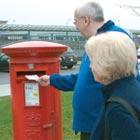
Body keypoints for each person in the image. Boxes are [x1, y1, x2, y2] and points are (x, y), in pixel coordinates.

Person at [37, 1, 131, 140]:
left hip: (104, 124)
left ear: (86, 20)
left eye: (75, 22)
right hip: (91, 123)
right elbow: (84, 78)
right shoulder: (96, 41)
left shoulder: (114, 38)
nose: (76, 27)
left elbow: (129, 81)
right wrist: (52, 79)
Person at [85, 31, 140, 140]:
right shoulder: (131, 88)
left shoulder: (118, 109)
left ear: (107, 63)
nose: (90, 67)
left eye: (92, 61)